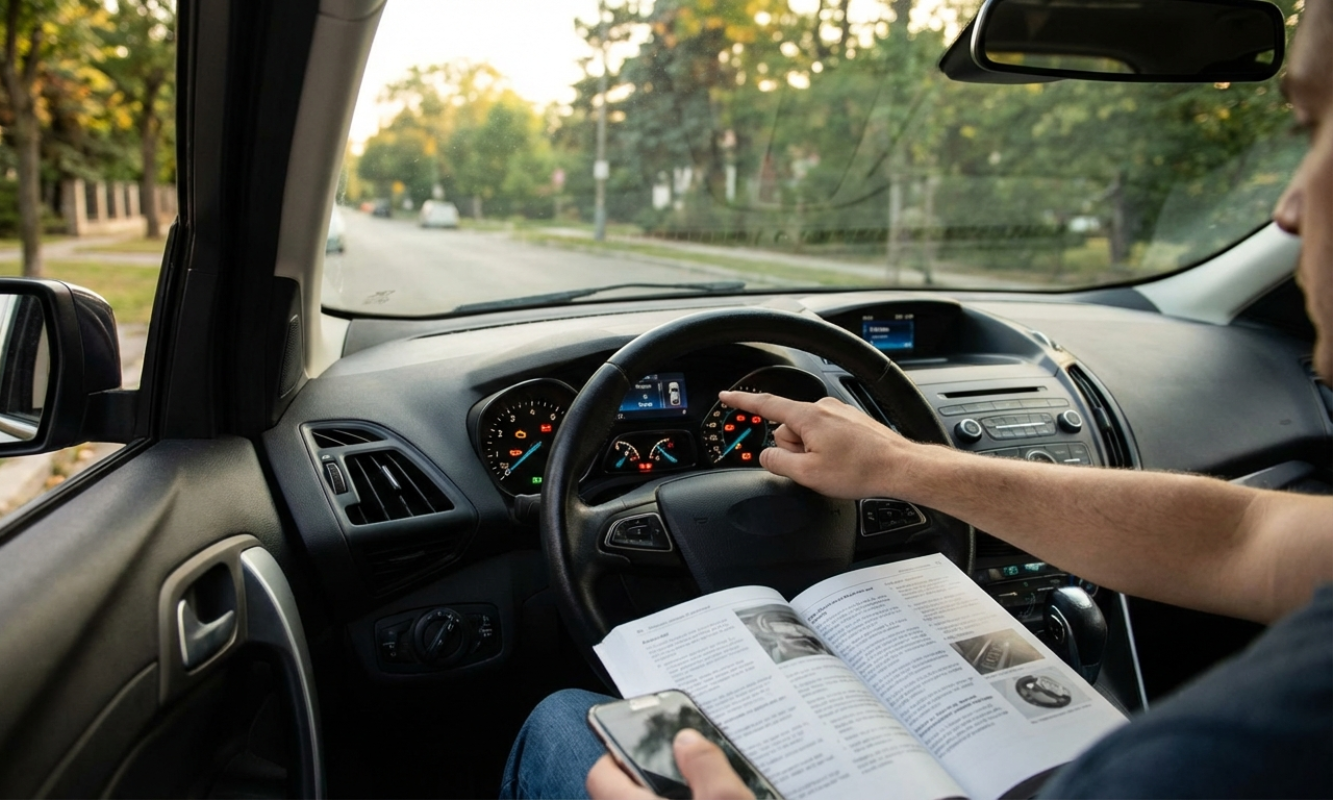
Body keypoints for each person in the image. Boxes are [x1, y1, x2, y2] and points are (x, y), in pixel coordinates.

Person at [501, 3, 1333, 797]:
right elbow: (1239, 534)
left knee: (565, 721)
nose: (1286, 209)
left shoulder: (1235, 747)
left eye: (1315, 127)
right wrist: (900, 464)